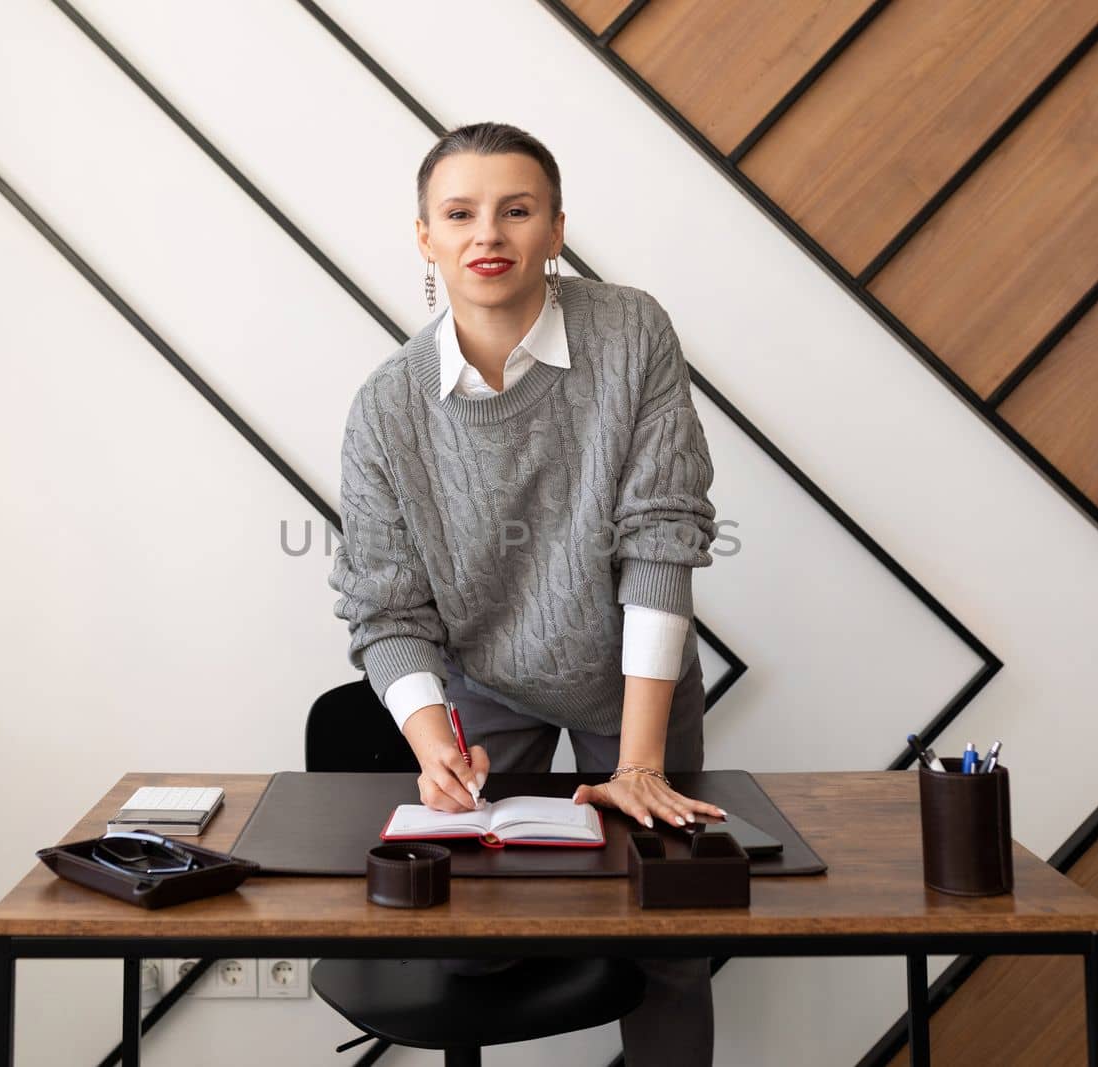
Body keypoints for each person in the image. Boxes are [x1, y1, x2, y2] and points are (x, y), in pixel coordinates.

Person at [327, 121, 721, 1066]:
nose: (487, 234)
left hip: (631, 676)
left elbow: (662, 537)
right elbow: (386, 608)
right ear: (425, 237)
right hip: (484, 679)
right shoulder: (388, 406)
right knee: (466, 932)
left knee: (667, 934)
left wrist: (637, 764)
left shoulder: (632, 331)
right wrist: (432, 748)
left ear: (554, 228)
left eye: (517, 209)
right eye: (458, 214)